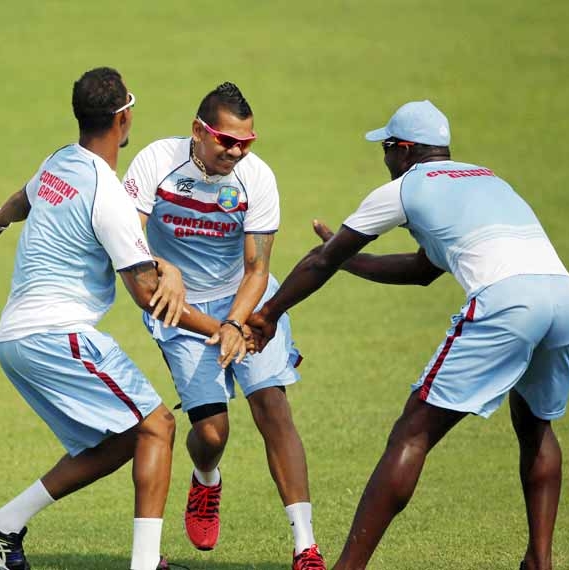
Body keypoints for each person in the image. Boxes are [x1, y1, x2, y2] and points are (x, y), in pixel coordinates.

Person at [248, 100, 569, 570]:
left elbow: (322, 260)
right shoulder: (487, 178)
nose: (385, 161)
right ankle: (539, 563)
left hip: (508, 302)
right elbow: (423, 269)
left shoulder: (406, 186)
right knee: (535, 425)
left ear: (402, 150)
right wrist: (348, 262)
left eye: (386, 150)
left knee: (412, 433)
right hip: (565, 299)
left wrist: (270, 314)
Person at [0, 67, 215, 570]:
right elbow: (147, 295)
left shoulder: (59, 161)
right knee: (160, 426)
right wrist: (222, 329)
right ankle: (145, 566)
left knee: (125, 437)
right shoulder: (111, 196)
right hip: (58, 335)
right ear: (125, 117)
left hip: (15, 338)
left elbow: (23, 198)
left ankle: (2, 527)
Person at [121, 82, 325, 569]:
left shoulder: (257, 178)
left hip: (246, 300)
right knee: (212, 433)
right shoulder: (156, 162)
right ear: (198, 130)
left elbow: (257, 269)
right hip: (182, 308)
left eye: (246, 143)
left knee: (272, 406)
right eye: (226, 141)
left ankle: (306, 547)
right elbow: (126, 236)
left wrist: (235, 322)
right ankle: (206, 480)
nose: (236, 152)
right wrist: (164, 267)